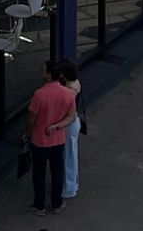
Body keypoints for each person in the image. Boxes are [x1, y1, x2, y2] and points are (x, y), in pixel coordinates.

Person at [25, 60, 74, 215]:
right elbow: (71, 117)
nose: (41, 72)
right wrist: (57, 126)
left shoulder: (39, 95)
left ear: (48, 74)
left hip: (39, 140)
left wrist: (27, 133)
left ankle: (39, 205)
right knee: (57, 171)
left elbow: (31, 118)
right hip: (58, 139)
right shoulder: (67, 94)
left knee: (39, 172)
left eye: (43, 70)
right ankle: (57, 203)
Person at [58, 57, 84, 201]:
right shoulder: (74, 84)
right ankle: (71, 184)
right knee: (70, 155)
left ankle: (69, 188)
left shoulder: (70, 90)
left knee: (68, 156)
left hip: (68, 124)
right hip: (72, 123)